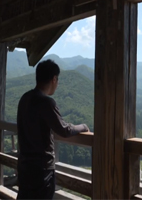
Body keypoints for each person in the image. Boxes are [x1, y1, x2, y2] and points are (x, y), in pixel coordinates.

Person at [16, 59, 89, 200]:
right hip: (41, 169)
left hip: (24, 166)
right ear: (54, 79)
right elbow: (64, 130)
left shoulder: (25, 98)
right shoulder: (46, 102)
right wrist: (83, 127)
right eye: (58, 79)